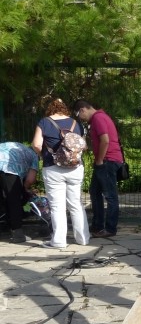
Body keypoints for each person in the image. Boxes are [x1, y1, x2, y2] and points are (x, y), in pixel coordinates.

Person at [32, 98, 90, 248]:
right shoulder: (76, 123)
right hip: (75, 167)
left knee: (57, 206)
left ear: (50, 109)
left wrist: (44, 155)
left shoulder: (44, 122)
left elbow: (36, 144)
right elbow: (84, 146)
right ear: (65, 109)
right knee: (76, 203)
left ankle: (58, 241)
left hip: (52, 168)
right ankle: (83, 238)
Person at [73, 100, 124, 237]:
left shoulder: (98, 118)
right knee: (94, 191)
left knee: (110, 196)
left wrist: (100, 160)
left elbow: (105, 140)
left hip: (107, 161)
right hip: (105, 161)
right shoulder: (100, 117)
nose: (80, 119)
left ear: (83, 110)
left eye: (79, 115)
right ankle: (97, 226)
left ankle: (110, 228)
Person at [0, 142, 39, 243]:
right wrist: (25, 189)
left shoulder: (18, 146)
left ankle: (7, 226)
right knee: (14, 201)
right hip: (9, 168)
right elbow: (30, 179)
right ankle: (18, 235)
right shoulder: (34, 156)